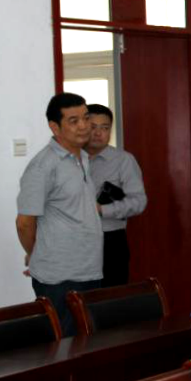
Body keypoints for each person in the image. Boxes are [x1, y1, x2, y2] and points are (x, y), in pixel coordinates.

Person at [16, 93, 103, 336]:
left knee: (89, 340)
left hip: (90, 269)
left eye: (86, 117)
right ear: (55, 127)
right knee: (66, 345)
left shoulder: (83, 158)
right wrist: (36, 254)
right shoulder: (43, 166)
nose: (84, 125)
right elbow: (24, 223)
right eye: (74, 121)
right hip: (60, 278)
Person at [85, 104, 147, 288]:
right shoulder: (71, 159)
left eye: (105, 128)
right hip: (75, 241)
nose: (98, 133)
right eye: (93, 127)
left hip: (110, 241)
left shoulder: (123, 160)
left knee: (109, 297)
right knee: (77, 298)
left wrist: (102, 210)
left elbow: (138, 202)